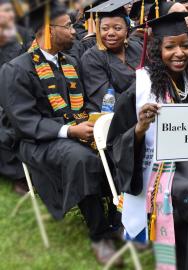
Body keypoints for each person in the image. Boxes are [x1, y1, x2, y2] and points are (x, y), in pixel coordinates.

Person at [106, 11, 188, 270]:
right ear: (157, 50)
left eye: (185, 45)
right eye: (170, 47)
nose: (179, 53)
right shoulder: (140, 88)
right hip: (155, 173)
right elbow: (116, 144)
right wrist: (140, 128)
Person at [0, 0, 121, 265]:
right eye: (68, 27)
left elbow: (87, 100)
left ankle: (116, 217)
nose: (75, 31)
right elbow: (24, 121)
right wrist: (69, 131)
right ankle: (99, 235)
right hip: (37, 140)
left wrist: (92, 122)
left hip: (76, 129)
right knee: (82, 159)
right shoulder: (16, 69)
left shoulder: (70, 63)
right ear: (47, 30)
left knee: (114, 147)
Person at [81, 3, 142, 112]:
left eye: (117, 28)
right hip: (114, 118)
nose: (111, 33)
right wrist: (143, 102)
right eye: (105, 28)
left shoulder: (137, 48)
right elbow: (106, 99)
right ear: (98, 31)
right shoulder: (91, 58)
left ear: (127, 30)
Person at [0, 0, 27, 194]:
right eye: (5, 11)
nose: (10, 15)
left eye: (11, 11)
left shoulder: (17, 41)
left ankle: (24, 174)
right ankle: (18, 175)